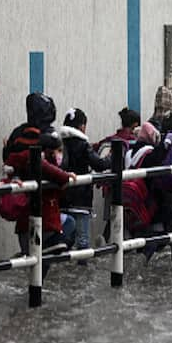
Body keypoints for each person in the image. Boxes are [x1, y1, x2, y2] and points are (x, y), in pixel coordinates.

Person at [3, 93, 76, 265]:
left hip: (27, 214)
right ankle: (49, 248)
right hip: (44, 213)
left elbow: (9, 157)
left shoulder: (18, 135)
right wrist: (64, 177)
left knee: (36, 268)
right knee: (39, 266)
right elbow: (45, 165)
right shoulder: (44, 139)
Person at [59, 108, 111, 264]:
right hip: (81, 200)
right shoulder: (82, 144)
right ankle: (81, 276)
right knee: (83, 242)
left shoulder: (59, 143)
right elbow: (99, 165)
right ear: (81, 126)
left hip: (63, 198)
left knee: (65, 241)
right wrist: (111, 158)